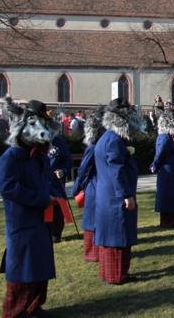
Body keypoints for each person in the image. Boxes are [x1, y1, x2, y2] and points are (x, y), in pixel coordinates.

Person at [0, 98, 56, 317]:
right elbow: (8, 188)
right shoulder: (11, 157)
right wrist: (40, 199)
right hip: (22, 221)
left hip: (40, 220)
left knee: (39, 265)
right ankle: (16, 311)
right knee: (23, 268)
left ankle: (34, 307)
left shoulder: (38, 156)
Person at [94, 98, 142, 284]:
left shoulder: (107, 137)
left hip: (108, 195)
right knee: (118, 237)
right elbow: (116, 170)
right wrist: (126, 195)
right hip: (115, 197)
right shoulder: (113, 140)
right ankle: (116, 275)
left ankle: (112, 273)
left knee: (113, 237)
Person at [71, 107, 105, 262]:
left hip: (96, 185)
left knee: (95, 220)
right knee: (92, 221)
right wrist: (78, 188)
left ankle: (96, 252)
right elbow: (84, 169)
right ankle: (92, 253)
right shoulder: (94, 147)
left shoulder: (96, 145)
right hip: (93, 185)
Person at [150, 109, 174, 228]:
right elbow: (160, 154)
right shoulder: (164, 137)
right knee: (168, 196)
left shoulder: (170, 137)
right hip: (167, 172)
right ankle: (167, 221)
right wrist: (154, 165)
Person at [48, 121, 73, 243]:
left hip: (56, 181)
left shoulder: (59, 142)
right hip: (42, 181)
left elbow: (68, 161)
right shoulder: (35, 142)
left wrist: (63, 171)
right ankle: (47, 231)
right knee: (45, 206)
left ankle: (56, 234)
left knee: (57, 208)